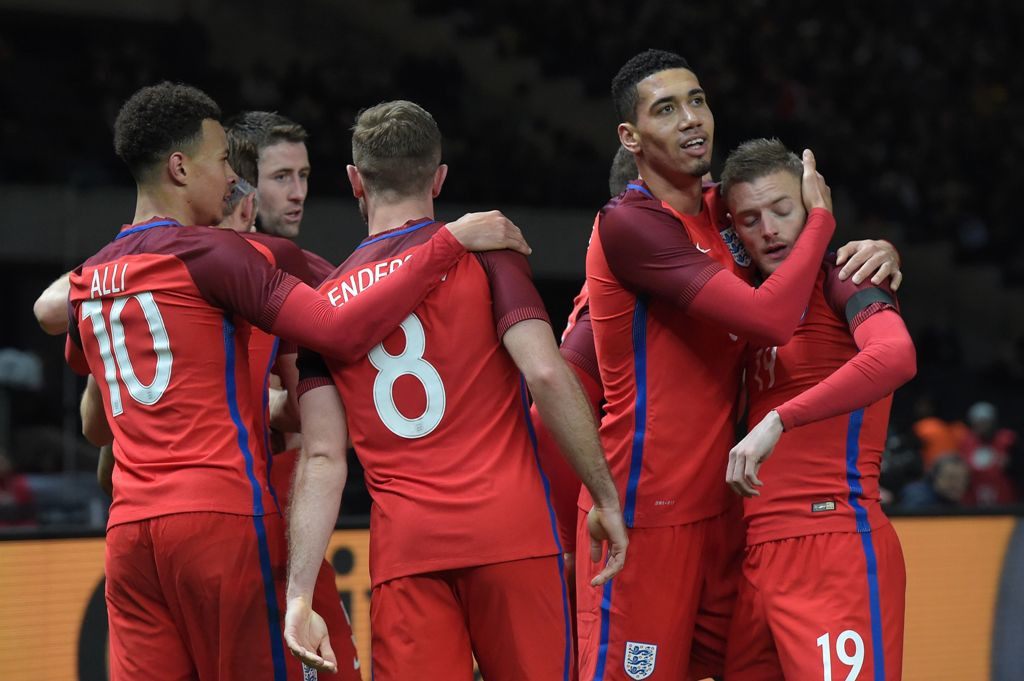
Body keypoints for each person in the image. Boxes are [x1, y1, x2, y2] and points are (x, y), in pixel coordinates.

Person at [65, 81, 530, 681]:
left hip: (129, 538)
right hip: (220, 519)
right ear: (180, 168)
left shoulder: (87, 278)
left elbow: (95, 420)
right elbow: (335, 327)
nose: (235, 179)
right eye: (223, 162)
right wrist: (448, 243)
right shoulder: (216, 256)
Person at [577, 49, 901, 681]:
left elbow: (778, 211)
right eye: (666, 109)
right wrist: (584, 492)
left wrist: (872, 250)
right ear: (631, 136)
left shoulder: (723, 210)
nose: (691, 118)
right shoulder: (632, 223)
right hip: (651, 512)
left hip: (735, 518)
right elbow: (564, 374)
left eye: (697, 100)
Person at [283, 100, 628, 681]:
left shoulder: (325, 305)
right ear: (439, 177)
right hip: (512, 534)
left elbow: (321, 458)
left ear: (354, 181)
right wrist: (606, 497)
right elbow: (546, 375)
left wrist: (298, 595)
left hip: (407, 554)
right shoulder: (487, 254)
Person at [720, 138, 916, 680]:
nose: (769, 229)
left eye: (782, 209)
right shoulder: (745, 307)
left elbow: (895, 355)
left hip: (835, 546)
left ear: (812, 206)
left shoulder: (847, 276)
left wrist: (778, 418)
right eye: (750, 218)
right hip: (755, 556)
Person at [226, 111, 335, 281]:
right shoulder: (217, 266)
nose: (298, 194)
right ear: (240, 184)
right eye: (281, 177)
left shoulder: (318, 267)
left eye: (303, 175)